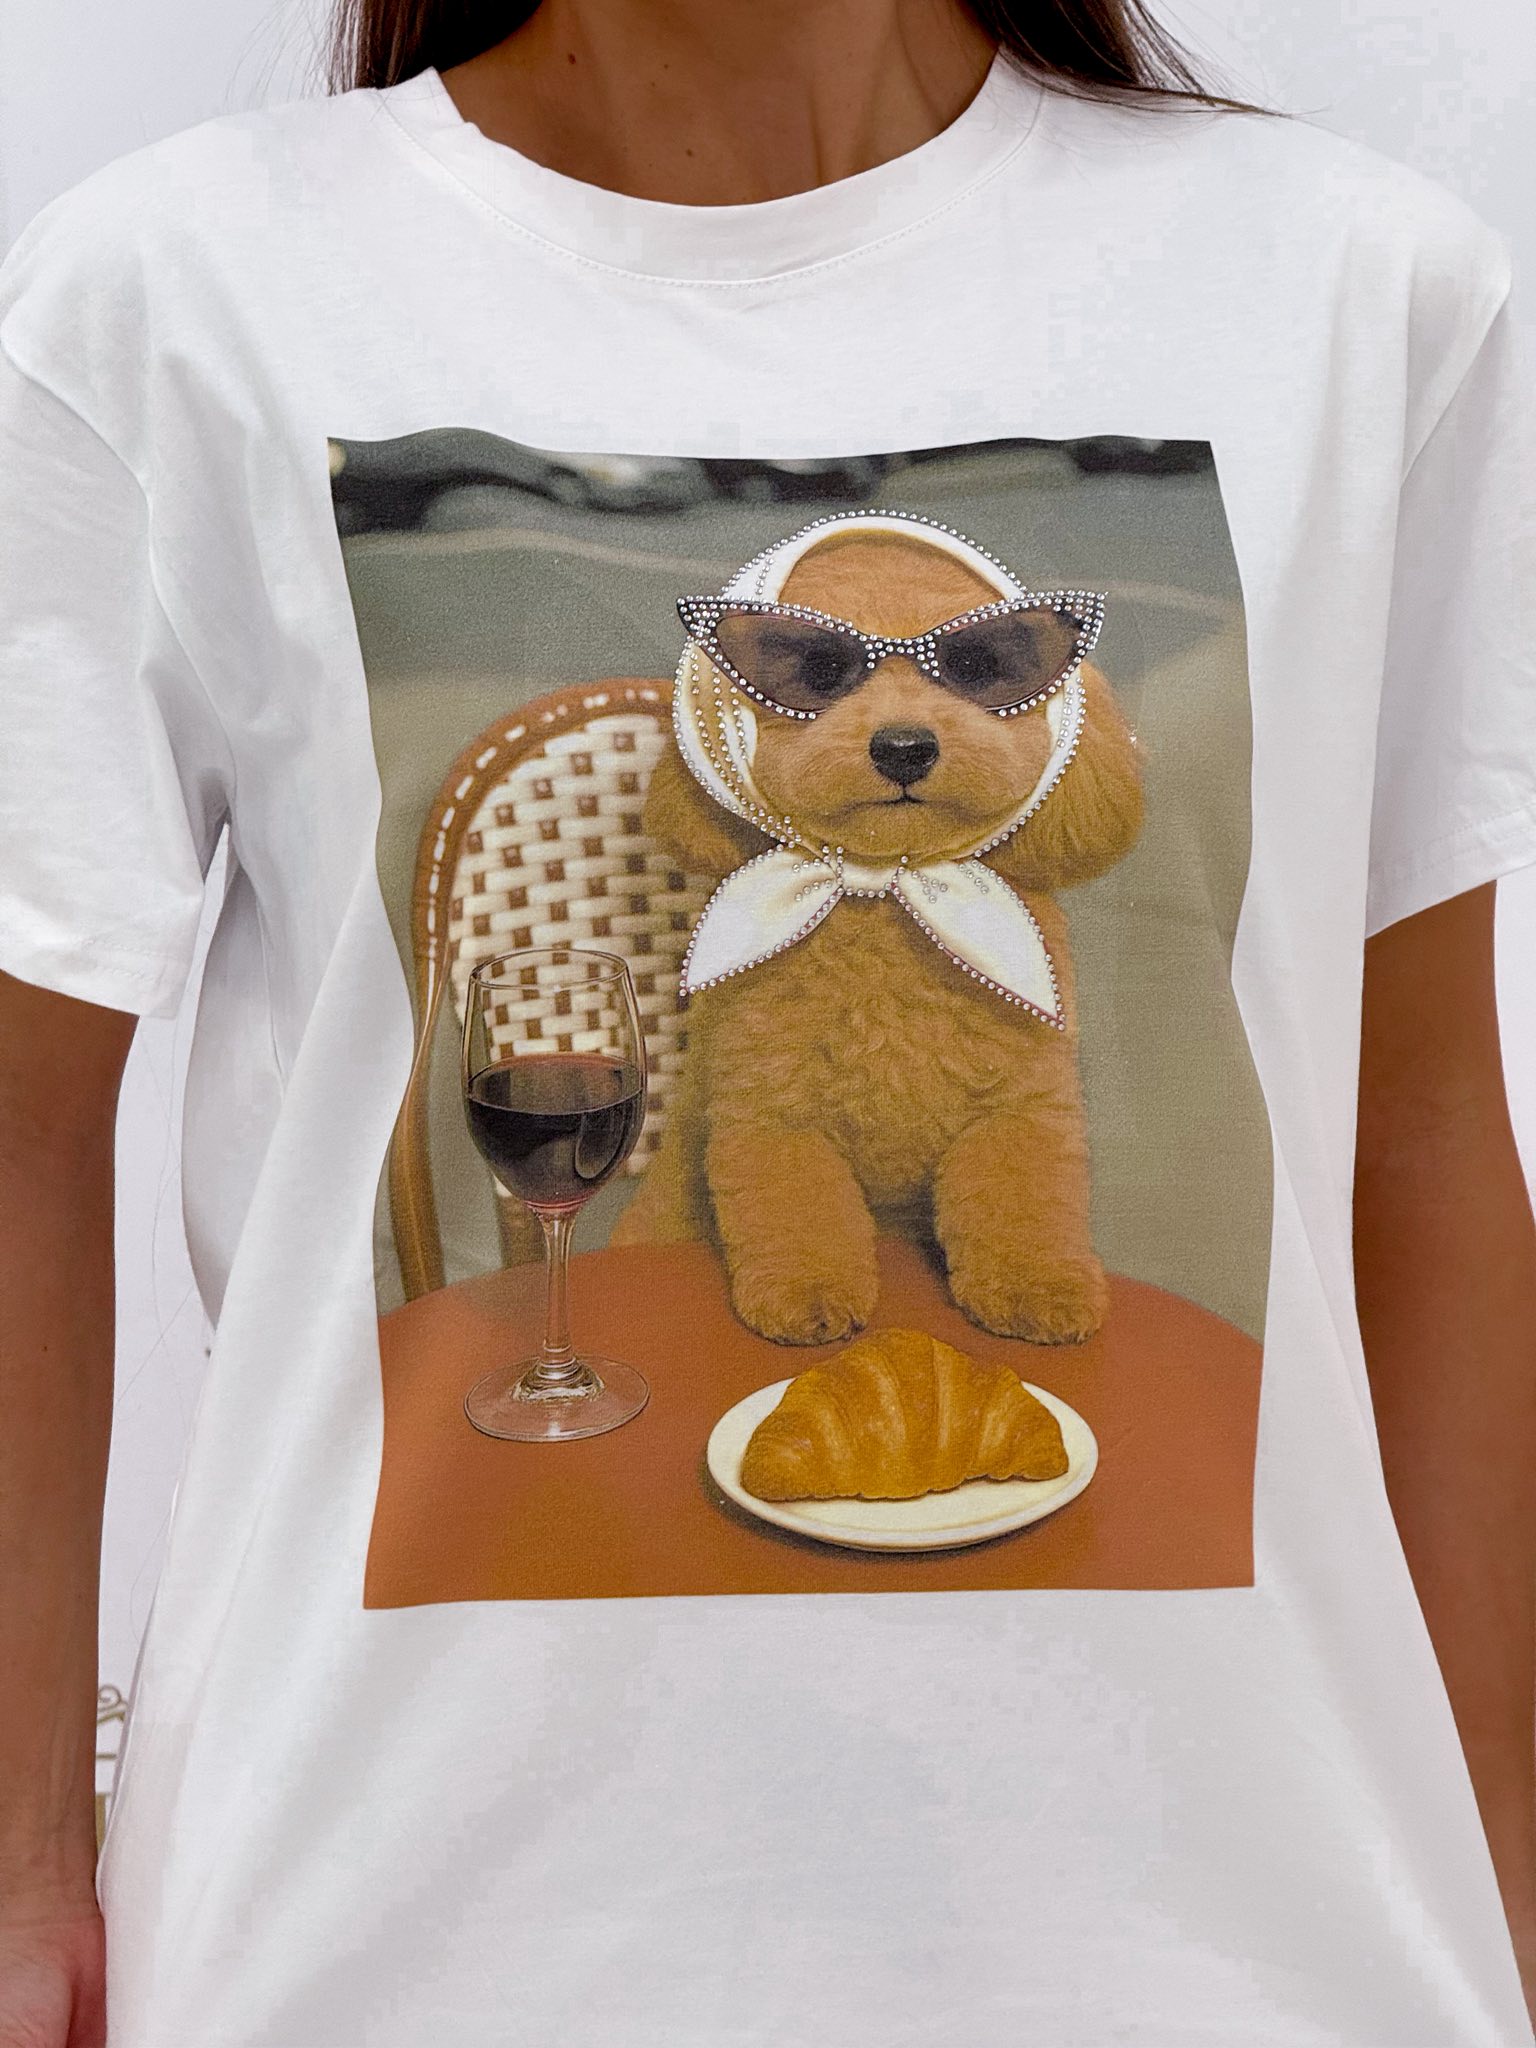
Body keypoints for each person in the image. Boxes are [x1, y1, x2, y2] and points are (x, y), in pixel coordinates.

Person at [2, 1, 1534, 2043]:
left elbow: (1424, 1135)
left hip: (1248, 1949)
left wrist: (1506, 1879)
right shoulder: (172, 293)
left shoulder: (1357, 284)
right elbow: (22, 1135)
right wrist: (22, 1856)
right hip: (389, 1930)